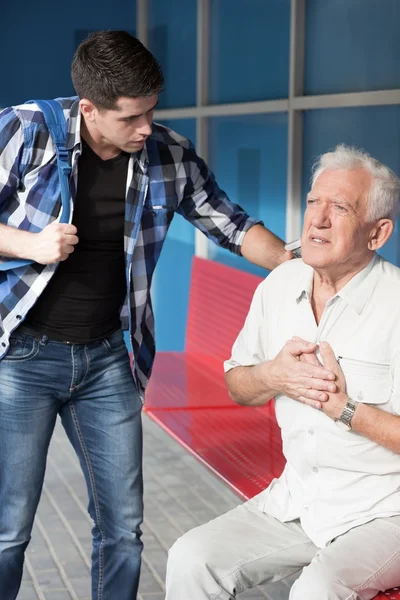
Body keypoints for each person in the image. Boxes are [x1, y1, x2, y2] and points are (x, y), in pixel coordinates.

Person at [0, 29, 324, 600]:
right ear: (90, 109)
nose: (147, 128)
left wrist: (302, 266)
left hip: (108, 362)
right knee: (9, 530)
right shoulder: (26, 132)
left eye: (152, 110)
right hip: (24, 358)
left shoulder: (166, 152)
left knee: (122, 530)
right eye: (132, 118)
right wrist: (28, 245)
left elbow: (231, 225)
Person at [166, 144, 400, 600]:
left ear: (377, 234)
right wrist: (273, 375)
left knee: (315, 591)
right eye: (314, 202)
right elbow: (238, 382)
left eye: (341, 208)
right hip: (298, 500)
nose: (318, 219)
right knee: (192, 559)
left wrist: (345, 408)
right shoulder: (280, 284)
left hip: (385, 514)